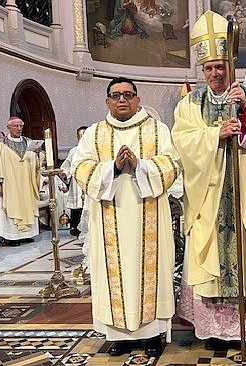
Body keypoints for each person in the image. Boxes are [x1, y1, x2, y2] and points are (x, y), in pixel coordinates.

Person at [172, 10, 246, 353]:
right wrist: (215, 134)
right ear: (202, 70)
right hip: (208, 197)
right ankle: (213, 330)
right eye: (209, 68)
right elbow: (183, 141)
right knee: (210, 259)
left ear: (229, 64)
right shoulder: (191, 103)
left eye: (220, 65)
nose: (216, 73)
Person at [71, 77, 180, 358]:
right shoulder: (94, 134)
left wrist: (141, 165)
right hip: (109, 215)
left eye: (128, 95)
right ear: (107, 101)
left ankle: (153, 333)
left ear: (138, 99)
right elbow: (80, 168)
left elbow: (172, 164)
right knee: (114, 276)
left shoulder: (157, 130)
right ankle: (118, 335)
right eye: (116, 95)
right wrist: (113, 168)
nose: (122, 100)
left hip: (150, 215)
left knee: (151, 272)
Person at [0, 117, 41, 246]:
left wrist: (36, 155)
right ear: (8, 127)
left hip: (26, 181)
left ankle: (27, 234)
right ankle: (12, 237)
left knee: (27, 203)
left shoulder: (28, 142)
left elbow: (34, 162)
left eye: (21, 126)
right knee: (10, 205)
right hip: (9, 183)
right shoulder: (1, 143)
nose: (19, 129)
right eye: (16, 126)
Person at [59, 126, 87, 237]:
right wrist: (64, 174)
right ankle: (75, 227)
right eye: (80, 136)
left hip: (89, 182)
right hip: (77, 183)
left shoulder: (95, 149)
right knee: (77, 207)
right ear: (77, 137)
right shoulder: (74, 151)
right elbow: (67, 166)